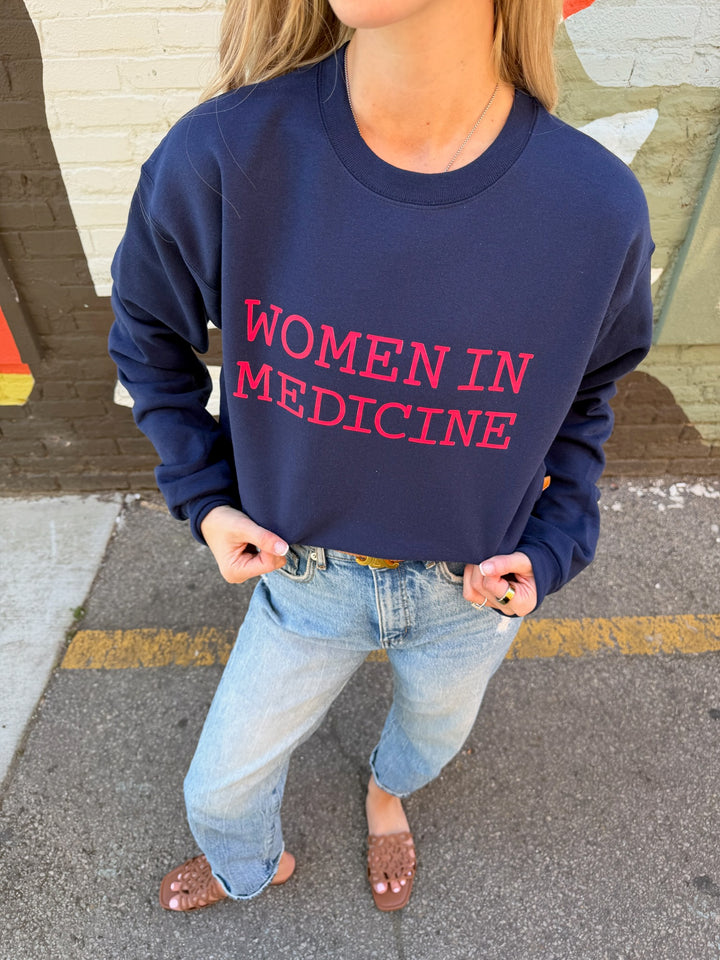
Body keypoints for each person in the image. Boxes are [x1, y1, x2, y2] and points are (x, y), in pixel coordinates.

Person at [109, 0, 654, 913]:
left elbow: (586, 402)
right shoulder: (226, 156)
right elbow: (146, 337)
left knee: (427, 743)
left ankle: (385, 793)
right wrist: (204, 499)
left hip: (469, 596)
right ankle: (255, 865)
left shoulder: (595, 208)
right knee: (215, 790)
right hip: (303, 578)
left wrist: (555, 542)